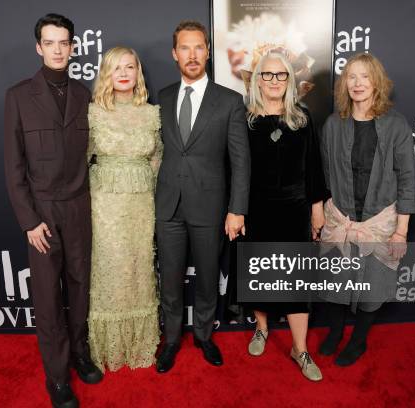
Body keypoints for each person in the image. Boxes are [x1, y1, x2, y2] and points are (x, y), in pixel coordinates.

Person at [3, 13, 102, 408]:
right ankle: (57, 377)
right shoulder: (18, 96)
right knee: (47, 299)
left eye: (65, 43)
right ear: (39, 47)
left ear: (73, 47)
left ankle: (80, 353)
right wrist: (29, 220)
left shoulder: (83, 94)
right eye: (51, 43)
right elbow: (13, 168)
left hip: (79, 208)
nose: (59, 50)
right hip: (41, 213)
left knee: (80, 290)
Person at [155, 20, 251, 373]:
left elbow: (241, 162)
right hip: (168, 206)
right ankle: (171, 340)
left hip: (211, 207)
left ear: (208, 52)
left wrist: (237, 209)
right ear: (174, 53)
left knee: (209, 277)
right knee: (170, 278)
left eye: (198, 47)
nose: (192, 55)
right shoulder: (162, 97)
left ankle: (204, 335)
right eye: (185, 47)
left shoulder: (229, 101)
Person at [319, 53, 415, 366]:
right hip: (341, 219)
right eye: (351, 77)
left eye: (365, 76)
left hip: (381, 222)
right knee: (336, 283)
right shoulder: (334, 124)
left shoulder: (396, 125)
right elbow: (324, 175)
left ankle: (358, 340)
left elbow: (407, 178)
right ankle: (335, 333)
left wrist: (401, 230)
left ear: (376, 82)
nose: (358, 83)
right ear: (344, 84)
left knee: (373, 286)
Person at [242, 51, 327, 381]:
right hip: (257, 209)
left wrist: (316, 207)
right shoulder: (245, 120)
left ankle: (300, 348)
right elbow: (237, 170)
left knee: (295, 280)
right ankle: (261, 329)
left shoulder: (303, 118)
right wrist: (239, 210)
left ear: (290, 81)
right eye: (267, 75)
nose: (274, 81)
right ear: (258, 80)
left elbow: (314, 167)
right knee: (259, 272)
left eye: (281, 75)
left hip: (294, 209)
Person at [87, 46, 162, 371]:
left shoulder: (151, 113)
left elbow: (158, 157)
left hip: (142, 203)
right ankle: (107, 344)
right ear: (106, 73)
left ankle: (138, 342)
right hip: (104, 204)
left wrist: (150, 189)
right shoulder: (93, 112)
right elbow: (80, 158)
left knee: (138, 269)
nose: (123, 73)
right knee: (110, 269)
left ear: (137, 73)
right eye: (116, 67)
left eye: (129, 66)